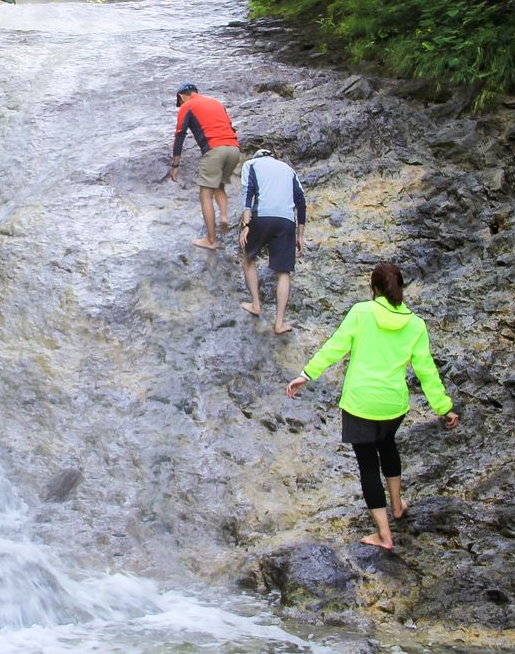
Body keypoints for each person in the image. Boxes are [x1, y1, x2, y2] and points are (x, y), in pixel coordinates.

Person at [285, 262, 459, 550]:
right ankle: (397, 506)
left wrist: (307, 374)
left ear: (374, 289)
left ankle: (384, 534)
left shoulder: (361, 312)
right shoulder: (415, 325)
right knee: (388, 446)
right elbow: (427, 371)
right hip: (393, 406)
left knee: (368, 465)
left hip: (360, 403)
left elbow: (335, 346)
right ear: (400, 289)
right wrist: (444, 407)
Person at [238, 148, 306, 335]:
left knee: (249, 258)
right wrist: (300, 235)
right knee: (284, 272)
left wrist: (246, 225)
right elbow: (301, 202)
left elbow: (248, 195)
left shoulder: (251, 164)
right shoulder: (288, 169)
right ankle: (279, 323)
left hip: (262, 216)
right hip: (286, 221)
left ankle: (256, 304)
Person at [169, 83, 241, 250]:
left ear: (181, 96)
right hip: (234, 150)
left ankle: (211, 240)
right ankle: (224, 215)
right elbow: (230, 126)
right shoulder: (216, 103)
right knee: (219, 186)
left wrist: (175, 165)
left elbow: (180, 135)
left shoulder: (187, 106)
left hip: (214, 151)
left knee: (205, 194)